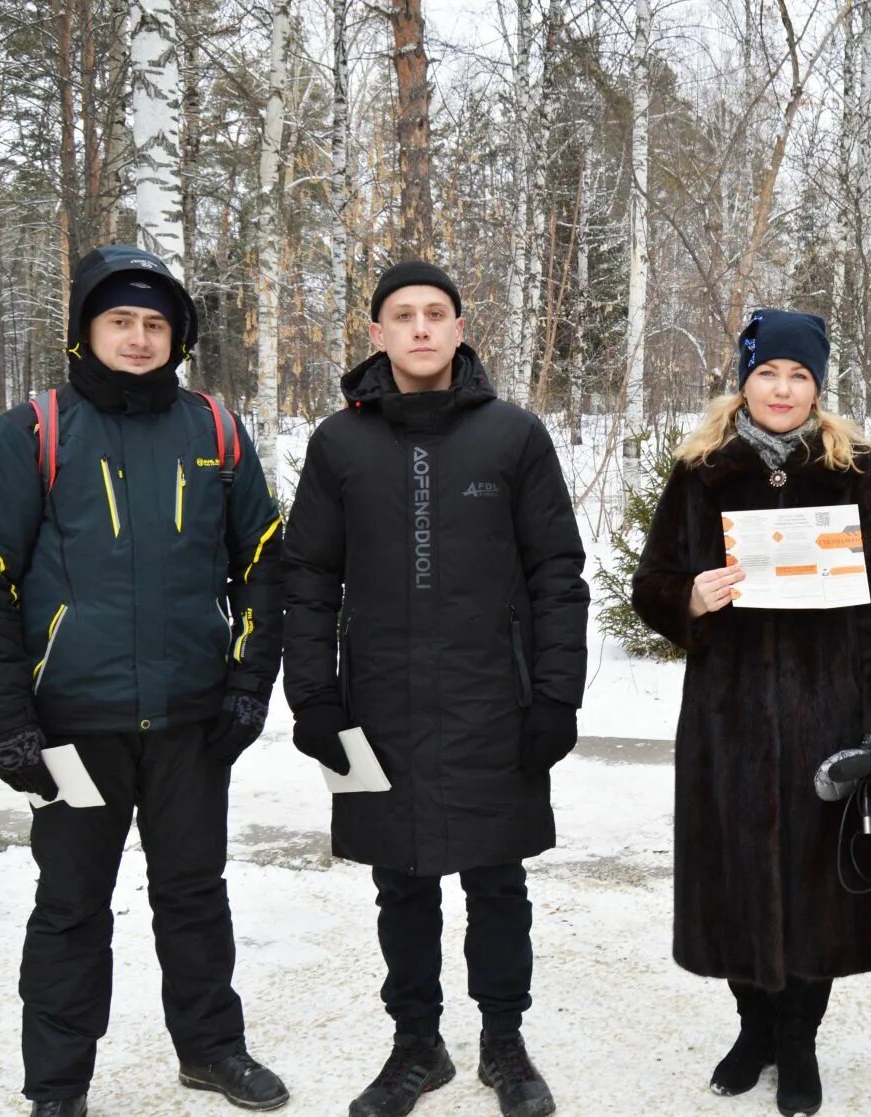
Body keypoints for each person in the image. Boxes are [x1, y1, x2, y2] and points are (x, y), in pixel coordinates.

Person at [0, 244, 289, 1116]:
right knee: (70, 909)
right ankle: (58, 1086)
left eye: (155, 323)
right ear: (85, 330)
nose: (139, 338)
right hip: (72, 726)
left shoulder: (214, 428)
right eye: (120, 321)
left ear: (176, 337)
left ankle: (211, 1048)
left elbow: (262, 561)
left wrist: (250, 683)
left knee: (195, 895)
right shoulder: (33, 431)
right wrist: (8, 724)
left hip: (190, 719)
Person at [282, 260, 588, 1117]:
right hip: (376, 706)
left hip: (498, 702)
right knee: (400, 882)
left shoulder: (514, 436)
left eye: (436, 313)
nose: (420, 328)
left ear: (460, 329)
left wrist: (557, 695)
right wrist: (315, 700)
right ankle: (416, 1042)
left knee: (498, 879)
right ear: (376, 334)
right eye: (402, 315)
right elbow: (306, 577)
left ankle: (503, 1040)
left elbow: (557, 574)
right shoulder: (338, 444)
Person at [630, 309, 871, 1117]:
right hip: (726, 724)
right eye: (769, 374)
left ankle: (798, 1039)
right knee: (730, 882)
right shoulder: (700, 471)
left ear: (818, 387)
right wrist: (687, 595)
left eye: (800, 376)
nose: (784, 389)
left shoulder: (855, 469)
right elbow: (651, 581)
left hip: (829, 720)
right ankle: (751, 1024)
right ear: (744, 381)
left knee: (820, 888)